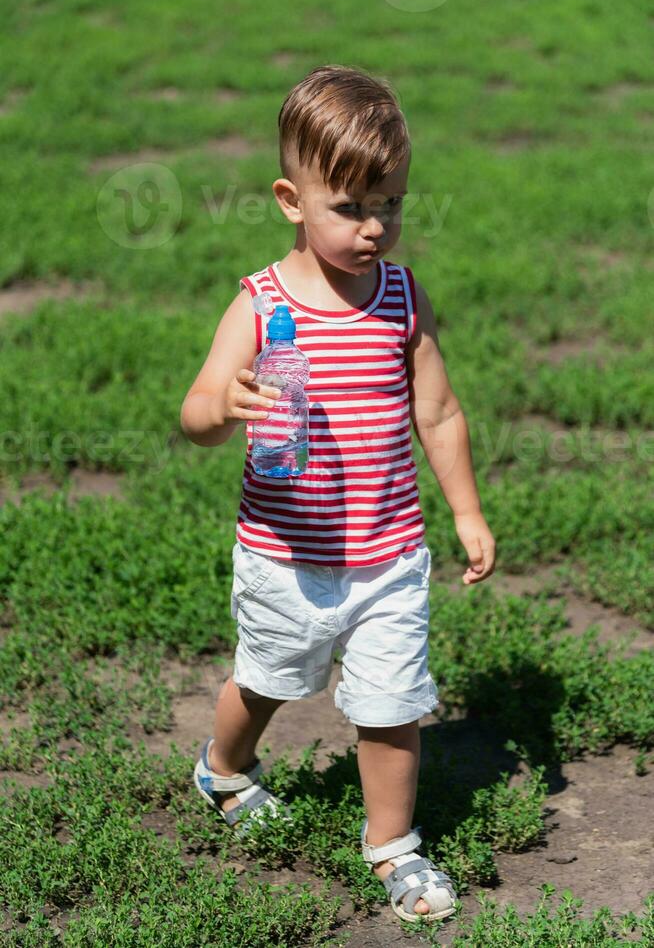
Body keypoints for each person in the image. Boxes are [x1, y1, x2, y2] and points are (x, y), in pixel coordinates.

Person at [180, 64, 496, 925]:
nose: (374, 228)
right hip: (286, 556)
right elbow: (197, 413)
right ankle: (225, 767)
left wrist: (465, 510)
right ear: (291, 198)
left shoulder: (401, 298)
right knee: (268, 680)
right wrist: (225, 405)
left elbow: (438, 410)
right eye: (349, 207)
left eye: (389, 204)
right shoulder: (261, 305)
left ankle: (393, 848)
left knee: (392, 709)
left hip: (389, 554)